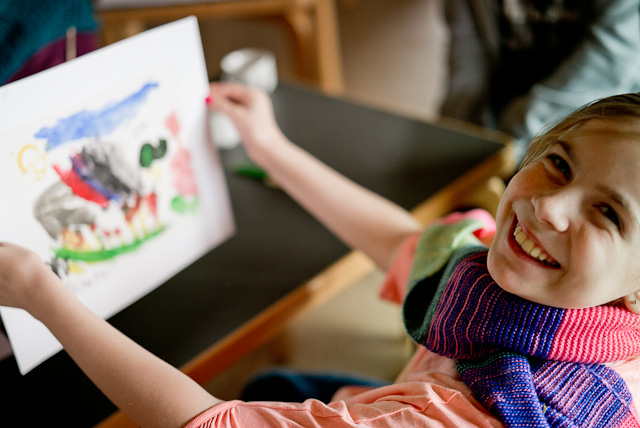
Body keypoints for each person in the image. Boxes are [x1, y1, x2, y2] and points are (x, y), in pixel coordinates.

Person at [2, 84, 640, 427]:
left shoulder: (472, 414)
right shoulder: (513, 294)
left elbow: (212, 424)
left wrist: (41, 292)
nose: (551, 208)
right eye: (558, 164)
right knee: (276, 385)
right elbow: (402, 243)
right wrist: (270, 147)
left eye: (608, 213)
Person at [441, 0, 640, 162]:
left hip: (593, 125)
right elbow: (467, 65)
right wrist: (463, 140)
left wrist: (510, 143)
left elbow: (609, 59)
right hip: (499, 133)